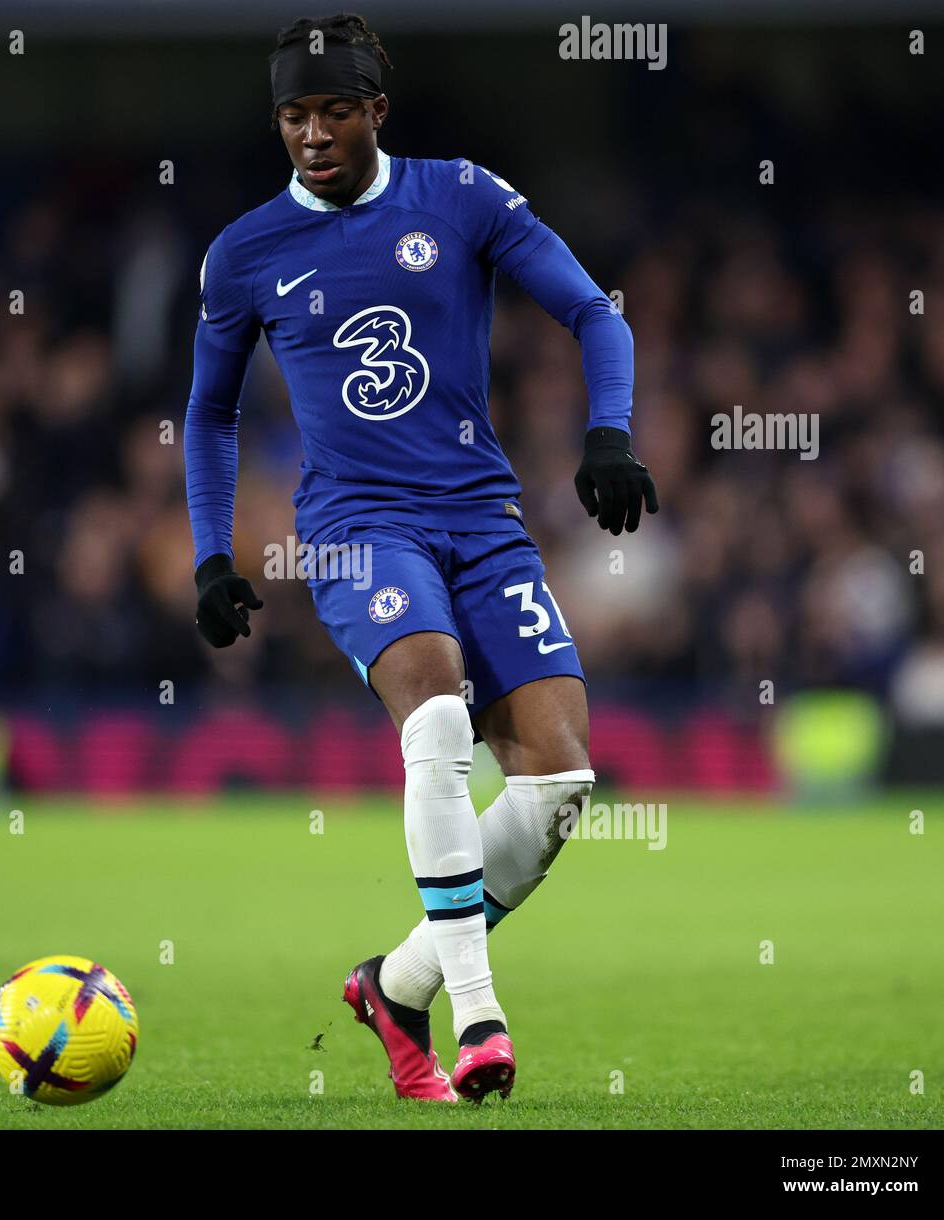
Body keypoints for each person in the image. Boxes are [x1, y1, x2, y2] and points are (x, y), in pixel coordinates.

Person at [183, 11, 658, 1103]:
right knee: (438, 718)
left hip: (482, 520)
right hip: (355, 527)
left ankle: (394, 985)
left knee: (559, 782)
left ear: (374, 112)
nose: (313, 133)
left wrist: (608, 434)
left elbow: (593, 311)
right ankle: (481, 1014)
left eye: (334, 110)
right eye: (295, 115)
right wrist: (212, 555)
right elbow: (207, 416)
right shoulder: (244, 252)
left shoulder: (460, 195)